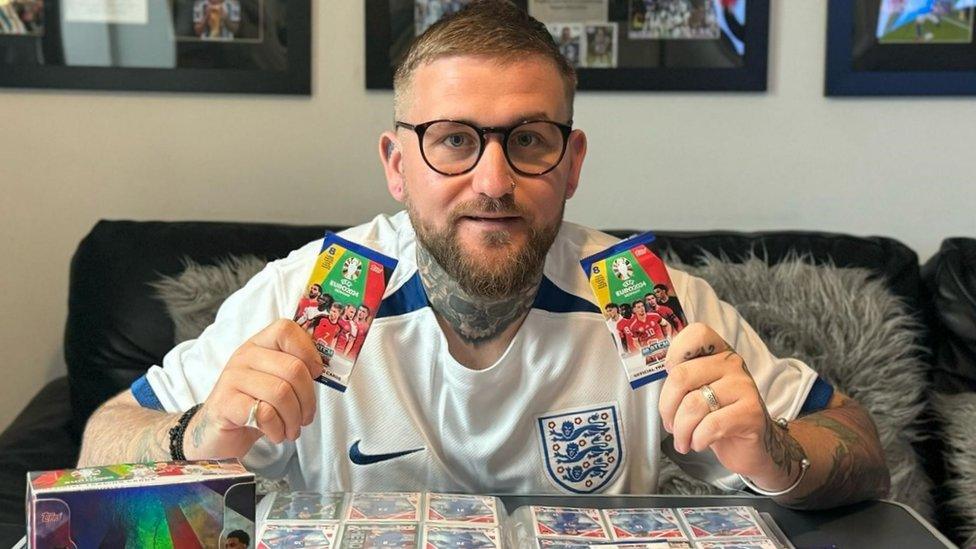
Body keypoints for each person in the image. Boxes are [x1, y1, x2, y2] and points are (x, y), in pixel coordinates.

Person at [79, 0, 889, 508]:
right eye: (454, 140)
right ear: (397, 166)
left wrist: (774, 453)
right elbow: (102, 441)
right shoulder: (312, 290)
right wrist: (197, 433)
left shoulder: (642, 298)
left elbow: (857, 442)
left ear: (571, 164)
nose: (493, 181)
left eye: (529, 140)